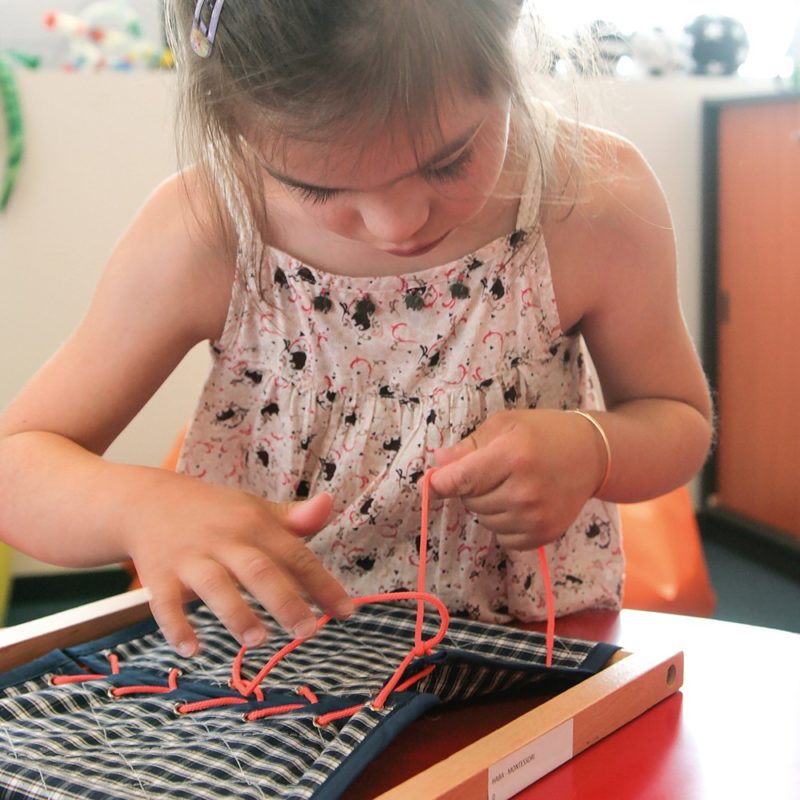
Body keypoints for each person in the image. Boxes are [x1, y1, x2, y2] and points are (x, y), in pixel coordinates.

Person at [0, 0, 712, 657]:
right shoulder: (209, 227)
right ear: (235, 122)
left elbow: (678, 419)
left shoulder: (590, 196)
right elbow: (18, 466)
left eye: (448, 159)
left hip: (524, 652)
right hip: (273, 664)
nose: (395, 225)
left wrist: (594, 448)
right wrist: (140, 509)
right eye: (319, 188)